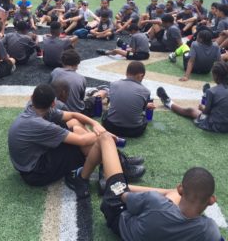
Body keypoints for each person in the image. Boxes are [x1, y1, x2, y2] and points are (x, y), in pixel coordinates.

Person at [8, 84, 145, 199]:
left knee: (75, 123)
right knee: (86, 144)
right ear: (53, 104)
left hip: (32, 159)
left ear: (32, 98)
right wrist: (104, 136)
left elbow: (73, 115)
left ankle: (113, 164)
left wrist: (95, 125)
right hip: (35, 173)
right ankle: (114, 169)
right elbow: (82, 141)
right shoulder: (38, 124)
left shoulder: (33, 107)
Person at [99, 131, 221, 240]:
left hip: (120, 221)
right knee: (158, 200)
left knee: (105, 138)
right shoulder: (210, 230)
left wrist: (147, 200)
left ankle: (82, 176)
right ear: (212, 200)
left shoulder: (154, 201)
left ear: (180, 189)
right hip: (156, 214)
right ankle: (121, 181)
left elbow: (124, 197)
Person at [157, 61, 228, 133]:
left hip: (215, 125)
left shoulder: (212, 91)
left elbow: (206, 112)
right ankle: (206, 95)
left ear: (215, 76)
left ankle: (168, 102)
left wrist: (202, 107)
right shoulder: (213, 91)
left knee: (191, 110)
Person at [100, 61, 153, 138]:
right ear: (141, 75)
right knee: (144, 118)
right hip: (134, 131)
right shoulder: (146, 91)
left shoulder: (114, 84)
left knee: (107, 112)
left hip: (111, 127)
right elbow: (142, 110)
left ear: (126, 73)